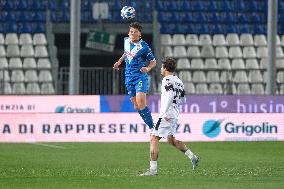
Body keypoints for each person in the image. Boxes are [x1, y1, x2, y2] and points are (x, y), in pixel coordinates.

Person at [140, 57, 200, 176]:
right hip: (175, 114)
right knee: (171, 140)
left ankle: (152, 171)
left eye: (162, 67)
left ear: (166, 68)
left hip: (167, 114)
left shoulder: (166, 80)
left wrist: (164, 113)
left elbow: (170, 95)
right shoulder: (178, 81)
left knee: (153, 137)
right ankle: (193, 157)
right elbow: (183, 100)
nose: (161, 69)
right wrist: (174, 107)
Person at [113, 22, 156, 129]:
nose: (132, 34)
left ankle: (153, 128)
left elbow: (153, 61)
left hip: (140, 76)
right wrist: (119, 61)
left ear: (139, 34)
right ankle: (151, 127)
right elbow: (126, 53)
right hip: (128, 77)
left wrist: (148, 68)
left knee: (141, 103)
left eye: (135, 32)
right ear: (129, 33)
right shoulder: (126, 41)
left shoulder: (144, 47)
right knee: (136, 106)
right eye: (131, 32)